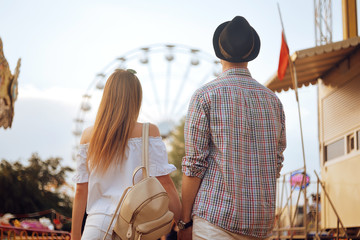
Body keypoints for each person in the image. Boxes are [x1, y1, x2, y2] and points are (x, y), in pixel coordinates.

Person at [178, 16, 286, 240]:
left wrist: (184, 221)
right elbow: (275, 163)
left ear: (219, 53)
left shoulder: (205, 96)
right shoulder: (273, 101)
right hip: (260, 223)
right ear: (251, 53)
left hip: (215, 220)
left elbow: (194, 165)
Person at [71, 69, 181, 240]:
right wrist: (182, 223)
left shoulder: (88, 136)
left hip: (96, 227)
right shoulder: (148, 131)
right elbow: (165, 183)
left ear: (107, 96)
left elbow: (80, 191)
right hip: (135, 226)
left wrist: (75, 234)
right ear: (136, 98)